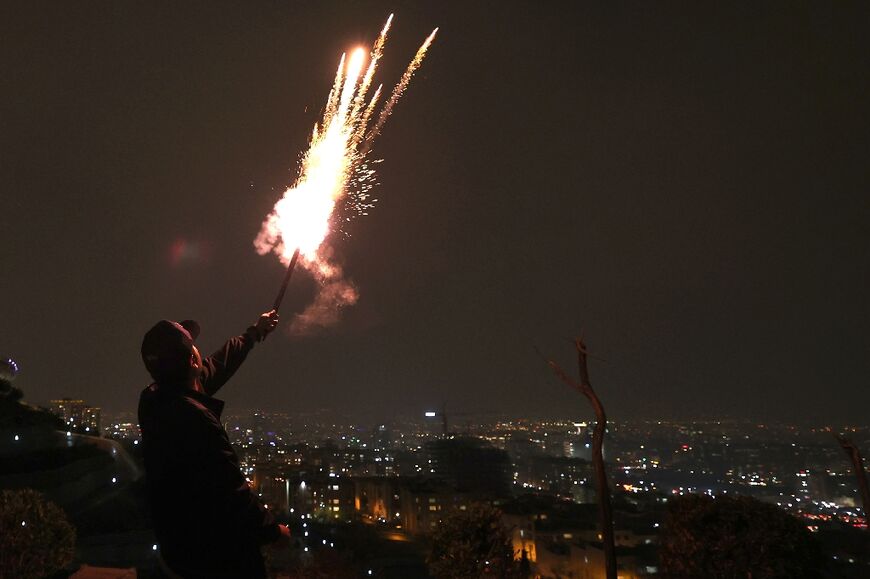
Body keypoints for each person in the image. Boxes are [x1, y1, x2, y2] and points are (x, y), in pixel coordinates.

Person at [138, 310, 290, 578]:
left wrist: (254, 333)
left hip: (179, 550)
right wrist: (272, 531)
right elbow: (232, 490)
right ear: (192, 361)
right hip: (215, 558)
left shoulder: (156, 400)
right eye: (194, 347)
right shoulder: (195, 420)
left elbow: (218, 364)